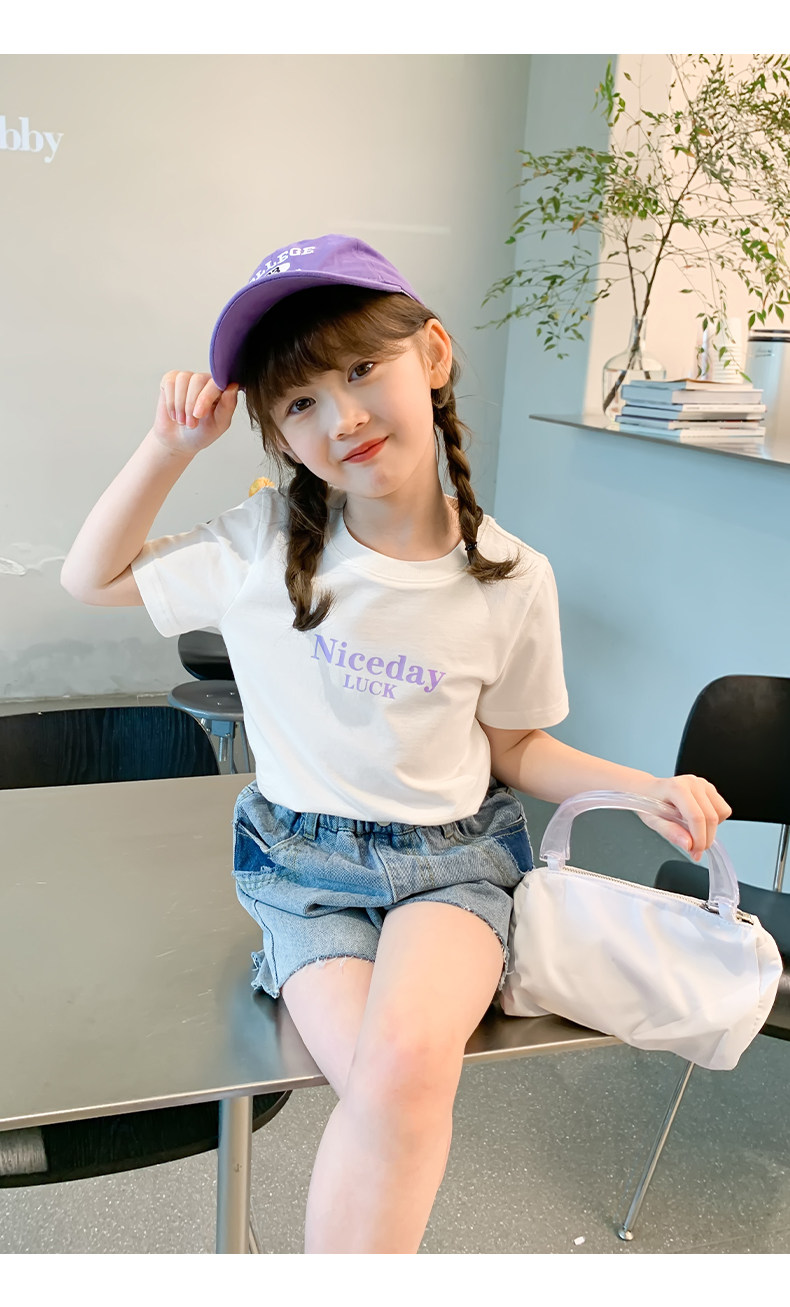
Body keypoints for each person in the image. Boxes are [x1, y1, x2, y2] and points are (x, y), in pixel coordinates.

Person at [61, 233, 732, 1254]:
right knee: (390, 1085)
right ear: (279, 436)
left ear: (434, 353)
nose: (343, 417)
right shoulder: (257, 547)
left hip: (451, 864)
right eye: (300, 402)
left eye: (363, 368)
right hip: (304, 872)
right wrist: (168, 447)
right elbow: (92, 578)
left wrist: (644, 786)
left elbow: (516, 745)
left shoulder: (512, 574)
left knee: (406, 1069)